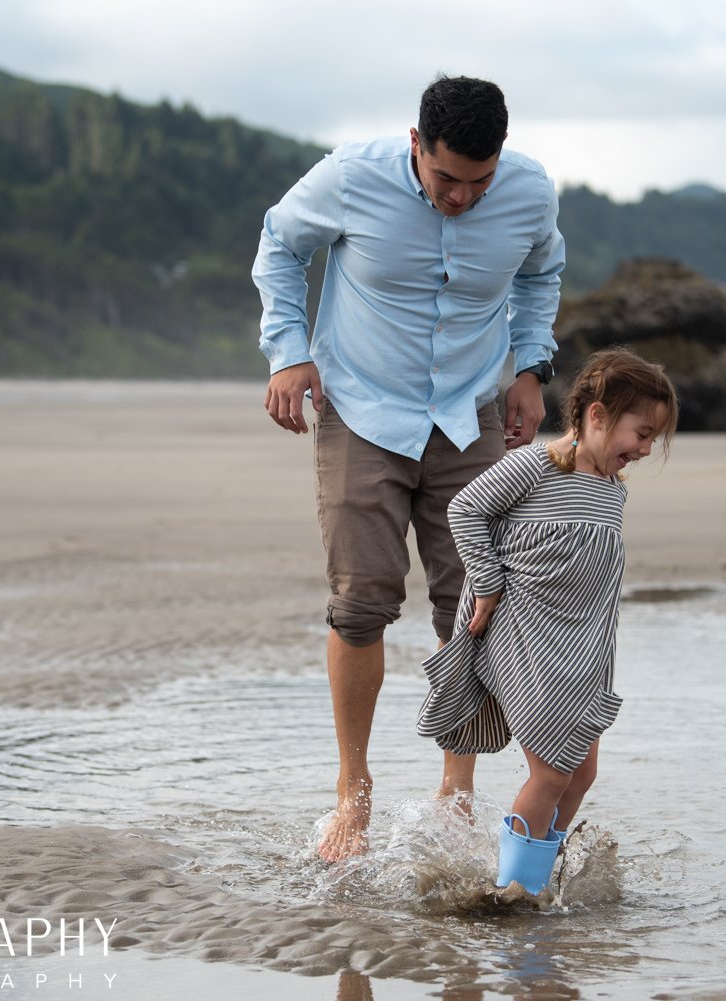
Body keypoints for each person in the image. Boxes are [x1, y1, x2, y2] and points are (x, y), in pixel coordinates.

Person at [252, 75, 566, 863]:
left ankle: (456, 792)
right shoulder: (352, 176)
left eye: (479, 181)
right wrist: (288, 354)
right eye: (447, 179)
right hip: (363, 409)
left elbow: (540, 275)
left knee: (475, 601)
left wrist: (532, 365)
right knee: (361, 601)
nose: (463, 197)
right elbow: (279, 246)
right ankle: (351, 795)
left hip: (470, 413)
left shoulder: (529, 193)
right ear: (416, 145)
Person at [416, 348, 678, 893]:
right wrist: (485, 581)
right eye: (642, 433)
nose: (646, 449)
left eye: (654, 440)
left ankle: (542, 876)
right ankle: (515, 890)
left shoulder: (610, 488)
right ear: (598, 416)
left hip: (583, 648)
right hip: (527, 640)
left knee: (582, 774)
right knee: (552, 772)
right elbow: (465, 510)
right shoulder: (534, 466)